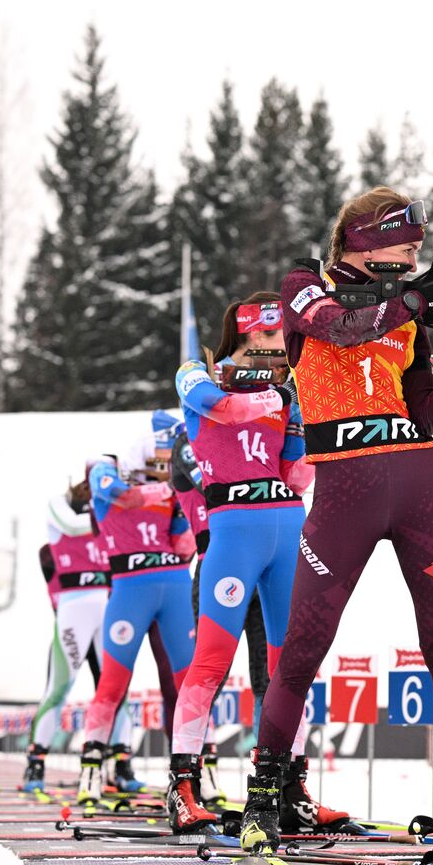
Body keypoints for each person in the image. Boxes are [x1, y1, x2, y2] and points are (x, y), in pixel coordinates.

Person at [240, 187, 433, 854]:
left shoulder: (406, 312)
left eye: (419, 246)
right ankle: (264, 799)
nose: (416, 250)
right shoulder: (304, 286)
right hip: (343, 493)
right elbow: (338, 326)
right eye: (404, 240)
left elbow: (425, 414)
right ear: (362, 238)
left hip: (422, 484)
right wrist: (420, 295)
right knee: (300, 652)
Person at [166, 293, 352, 834]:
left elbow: (297, 475)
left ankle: (291, 788)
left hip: (287, 530)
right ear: (249, 337)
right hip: (234, 535)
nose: (280, 350)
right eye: (273, 341)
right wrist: (274, 397)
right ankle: (183, 788)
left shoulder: (283, 391)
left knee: (288, 668)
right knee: (210, 662)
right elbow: (224, 409)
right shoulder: (196, 376)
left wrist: (308, 420)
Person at [75, 421, 197, 803]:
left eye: (168, 462)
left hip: (174, 588)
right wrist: (171, 489)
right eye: (157, 461)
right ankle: (92, 769)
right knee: (111, 683)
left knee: (190, 684)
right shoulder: (108, 473)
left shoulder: (176, 487)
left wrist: (184, 506)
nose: (164, 468)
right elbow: (118, 494)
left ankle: (194, 774)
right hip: (129, 590)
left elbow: (183, 547)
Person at [169, 426, 268, 806]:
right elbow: (211, 479)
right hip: (218, 565)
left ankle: (271, 786)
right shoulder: (188, 437)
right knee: (210, 674)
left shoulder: (262, 428)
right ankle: (188, 780)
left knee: (269, 678)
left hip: (267, 567)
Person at [22, 479, 141, 793]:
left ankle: (122, 765)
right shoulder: (62, 509)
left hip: (109, 606)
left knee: (118, 691)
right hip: (75, 612)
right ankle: (35, 764)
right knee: (58, 688)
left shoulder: (113, 514)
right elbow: (72, 525)